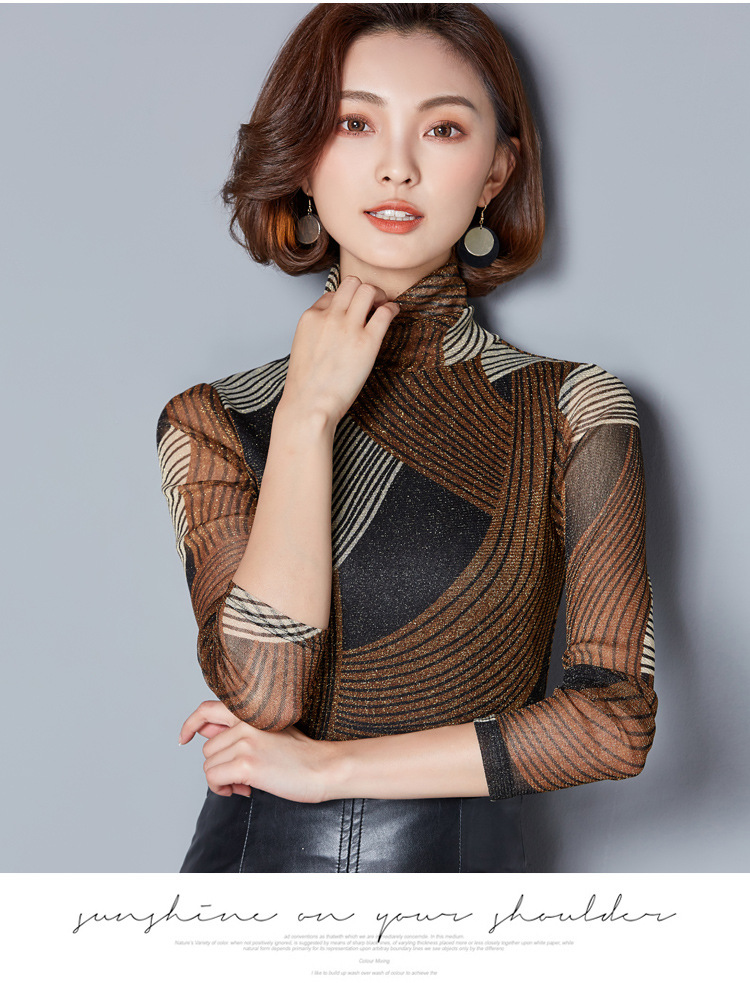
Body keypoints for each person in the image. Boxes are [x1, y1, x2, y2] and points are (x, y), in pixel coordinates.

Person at [157, 3, 657, 873]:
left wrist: (331, 769)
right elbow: (264, 692)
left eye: (443, 128)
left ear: (495, 172)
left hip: (466, 889)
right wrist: (307, 415)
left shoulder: (572, 408)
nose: (398, 166)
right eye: (355, 123)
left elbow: (613, 726)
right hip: (249, 885)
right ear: (304, 159)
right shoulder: (214, 418)